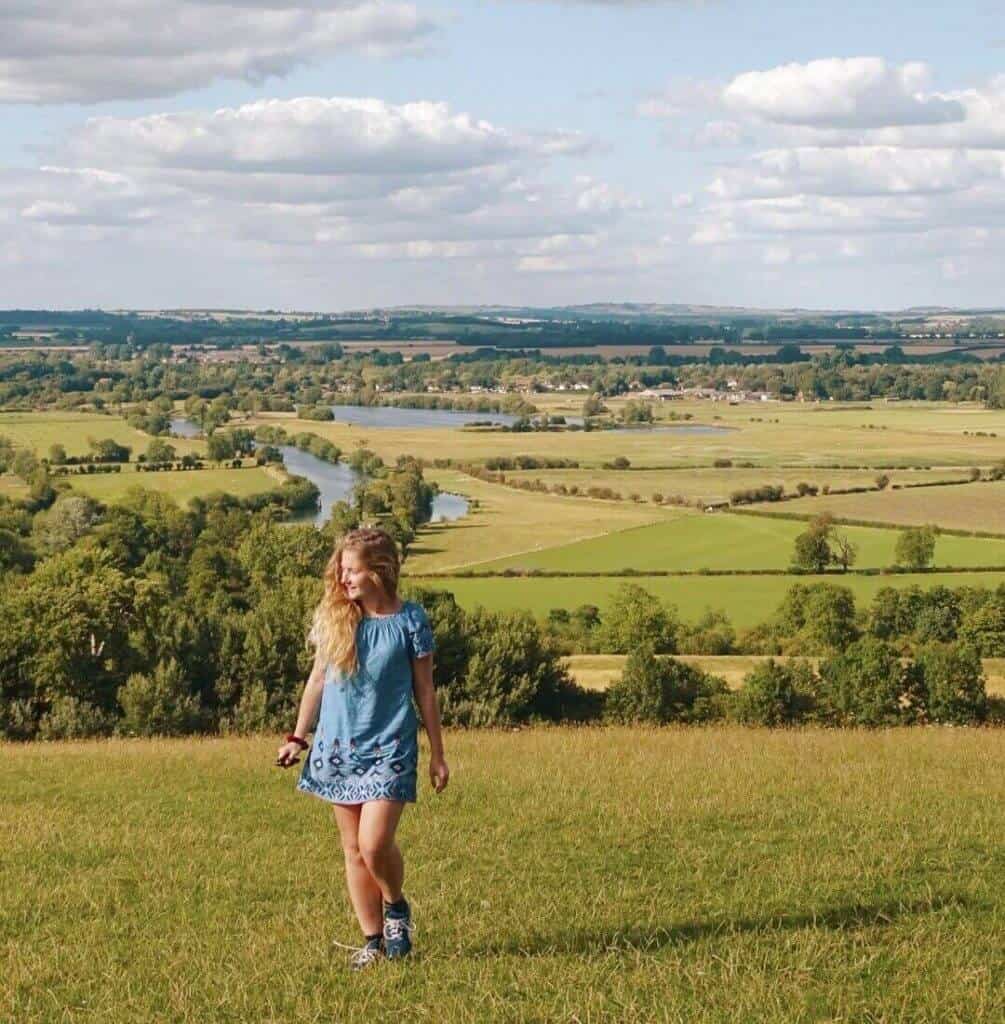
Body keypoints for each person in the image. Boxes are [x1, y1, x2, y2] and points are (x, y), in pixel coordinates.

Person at [276, 527, 449, 970]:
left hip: (391, 745)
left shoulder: (411, 620)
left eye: (353, 570)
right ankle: (372, 940)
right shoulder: (336, 616)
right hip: (337, 747)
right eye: (342, 570)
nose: (344, 578)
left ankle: (395, 907)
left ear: (380, 571)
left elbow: (425, 691)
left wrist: (438, 753)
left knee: (375, 844)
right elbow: (316, 681)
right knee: (352, 848)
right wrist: (298, 736)